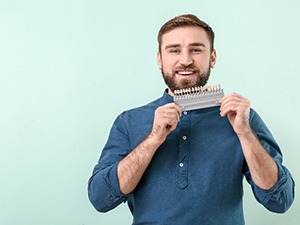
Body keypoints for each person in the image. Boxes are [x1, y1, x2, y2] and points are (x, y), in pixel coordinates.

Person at [88, 14, 294, 225]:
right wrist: (153, 140)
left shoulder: (241, 118)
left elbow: (280, 201)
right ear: (160, 59)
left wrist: (245, 134)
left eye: (196, 49)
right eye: (174, 50)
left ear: (212, 58)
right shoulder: (129, 122)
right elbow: (100, 199)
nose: (185, 60)